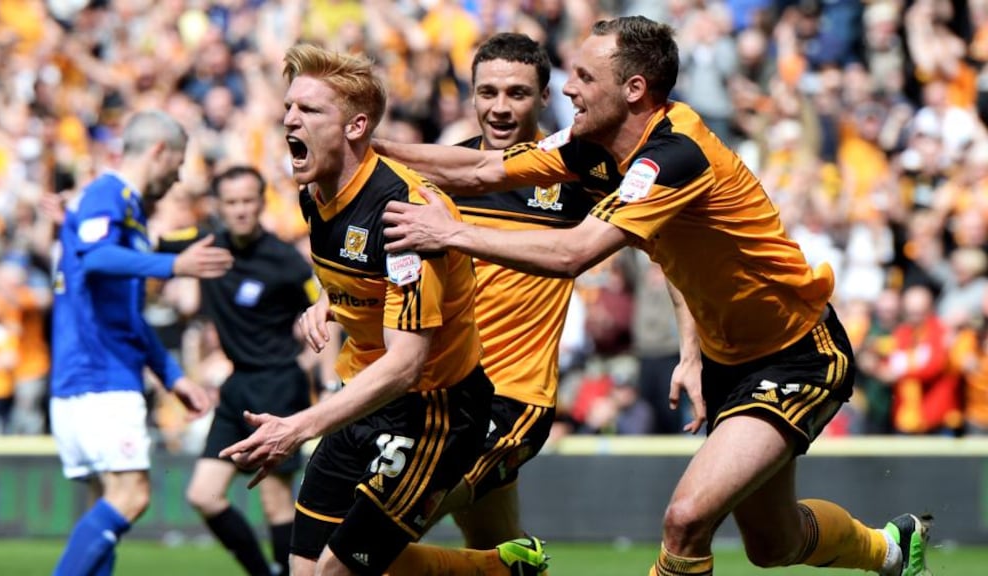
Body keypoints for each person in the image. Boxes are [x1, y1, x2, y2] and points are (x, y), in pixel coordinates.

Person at [377, 16, 931, 576]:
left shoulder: (676, 155)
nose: (568, 89)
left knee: (685, 521)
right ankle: (890, 550)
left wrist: (450, 233)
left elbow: (574, 253)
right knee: (773, 545)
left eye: (584, 77)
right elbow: (482, 168)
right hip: (727, 361)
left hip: (797, 352)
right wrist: (366, 148)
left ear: (633, 89)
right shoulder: (596, 149)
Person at [218, 44, 547, 576]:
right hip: (363, 396)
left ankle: (498, 570)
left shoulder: (403, 215)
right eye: (289, 107)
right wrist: (333, 300)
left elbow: (406, 363)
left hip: (431, 410)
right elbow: (362, 270)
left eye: (310, 109)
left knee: (337, 572)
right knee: (305, 571)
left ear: (356, 126)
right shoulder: (313, 193)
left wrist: (298, 428)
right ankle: (499, 567)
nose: (290, 119)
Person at [301, 32, 600, 551]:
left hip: (511, 398)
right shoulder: (442, 177)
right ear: (471, 96)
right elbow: (385, 259)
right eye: (487, 92)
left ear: (544, 98)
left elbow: (662, 240)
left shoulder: (576, 175)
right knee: (492, 543)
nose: (500, 107)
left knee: (366, 542)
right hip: (435, 393)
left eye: (517, 93)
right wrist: (338, 295)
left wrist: (689, 352)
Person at [49, 109, 233, 576]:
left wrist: (173, 377)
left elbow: (127, 315)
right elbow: (94, 259)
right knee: (131, 497)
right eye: (178, 164)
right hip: (100, 376)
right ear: (159, 151)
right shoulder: (108, 192)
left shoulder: (124, 209)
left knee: (109, 503)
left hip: (91, 375)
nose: (177, 178)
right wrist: (173, 266)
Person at [157, 165, 319, 576]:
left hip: (280, 384)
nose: (241, 209)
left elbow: (324, 308)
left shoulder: (285, 260)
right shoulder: (204, 246)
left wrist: (322, 369)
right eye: (231, 202)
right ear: (218, 206)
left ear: (262, 203)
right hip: (238, 384)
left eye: (248, 200)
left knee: (275, 502)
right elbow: (149, 242)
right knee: (203, 494)